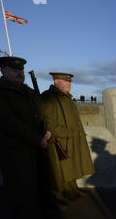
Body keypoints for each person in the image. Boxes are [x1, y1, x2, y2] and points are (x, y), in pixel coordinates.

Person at [0, 56, 52, 219]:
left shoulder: (29, 92)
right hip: (13, 149)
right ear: (3, 70)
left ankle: (38, 218)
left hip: (35, 147)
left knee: (38, 185)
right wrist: (38, 139)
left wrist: (46, 130)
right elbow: (7, 122)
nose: (19, 73)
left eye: (20, 70)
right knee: (19, 188)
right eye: (14, 70)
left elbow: (40, 114)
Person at [39, 72, 94, 205]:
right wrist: (68, 133)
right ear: (56, 81)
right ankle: (65, 191)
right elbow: (49, 123)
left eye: (70, 82)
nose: (69, 84)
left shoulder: (67, 98)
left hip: (72, 137)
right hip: (60, 139)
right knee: (62, 167)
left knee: (71, 165)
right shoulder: (48, 98)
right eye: (66, 81)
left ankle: (72, 188)